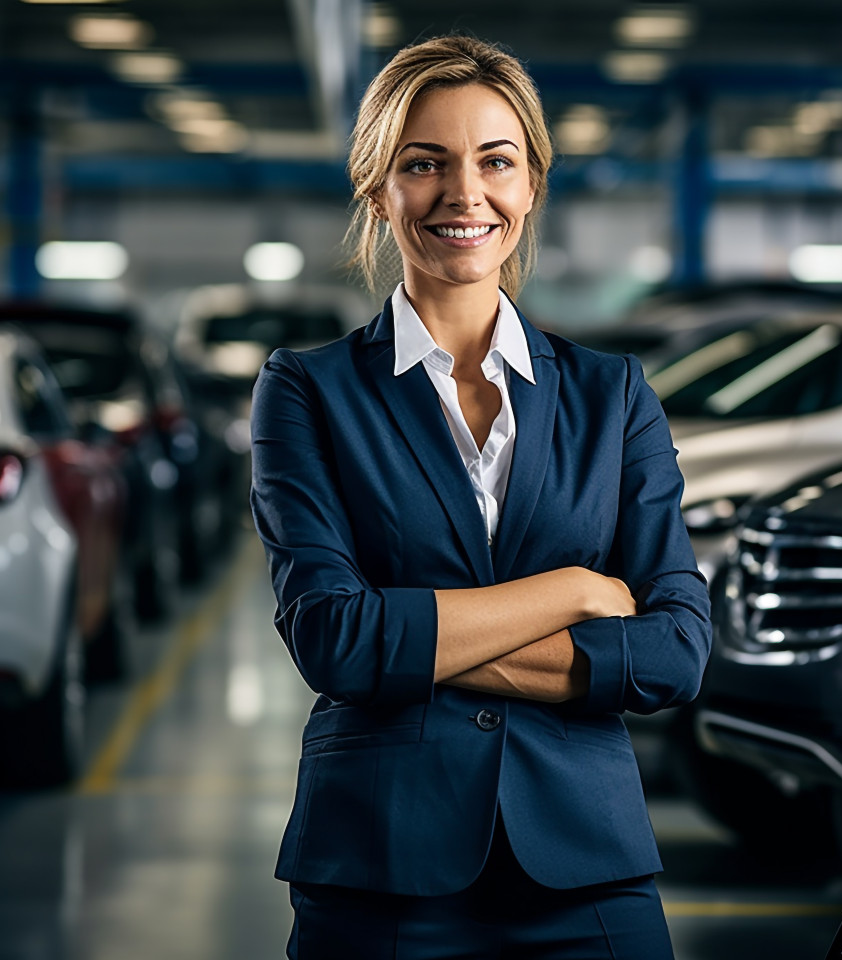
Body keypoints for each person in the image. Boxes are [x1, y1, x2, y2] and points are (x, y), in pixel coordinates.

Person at [250, 34, 711, 960]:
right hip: (378, 869)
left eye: (495, 161)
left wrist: (410, 644)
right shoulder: (306, 390)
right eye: (424, 164)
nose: (464, 194)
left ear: (531, 184)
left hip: (587, 865)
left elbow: (675, 651)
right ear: (379, 190)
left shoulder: (611, 395)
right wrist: (574, 590)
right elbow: (334, 641)